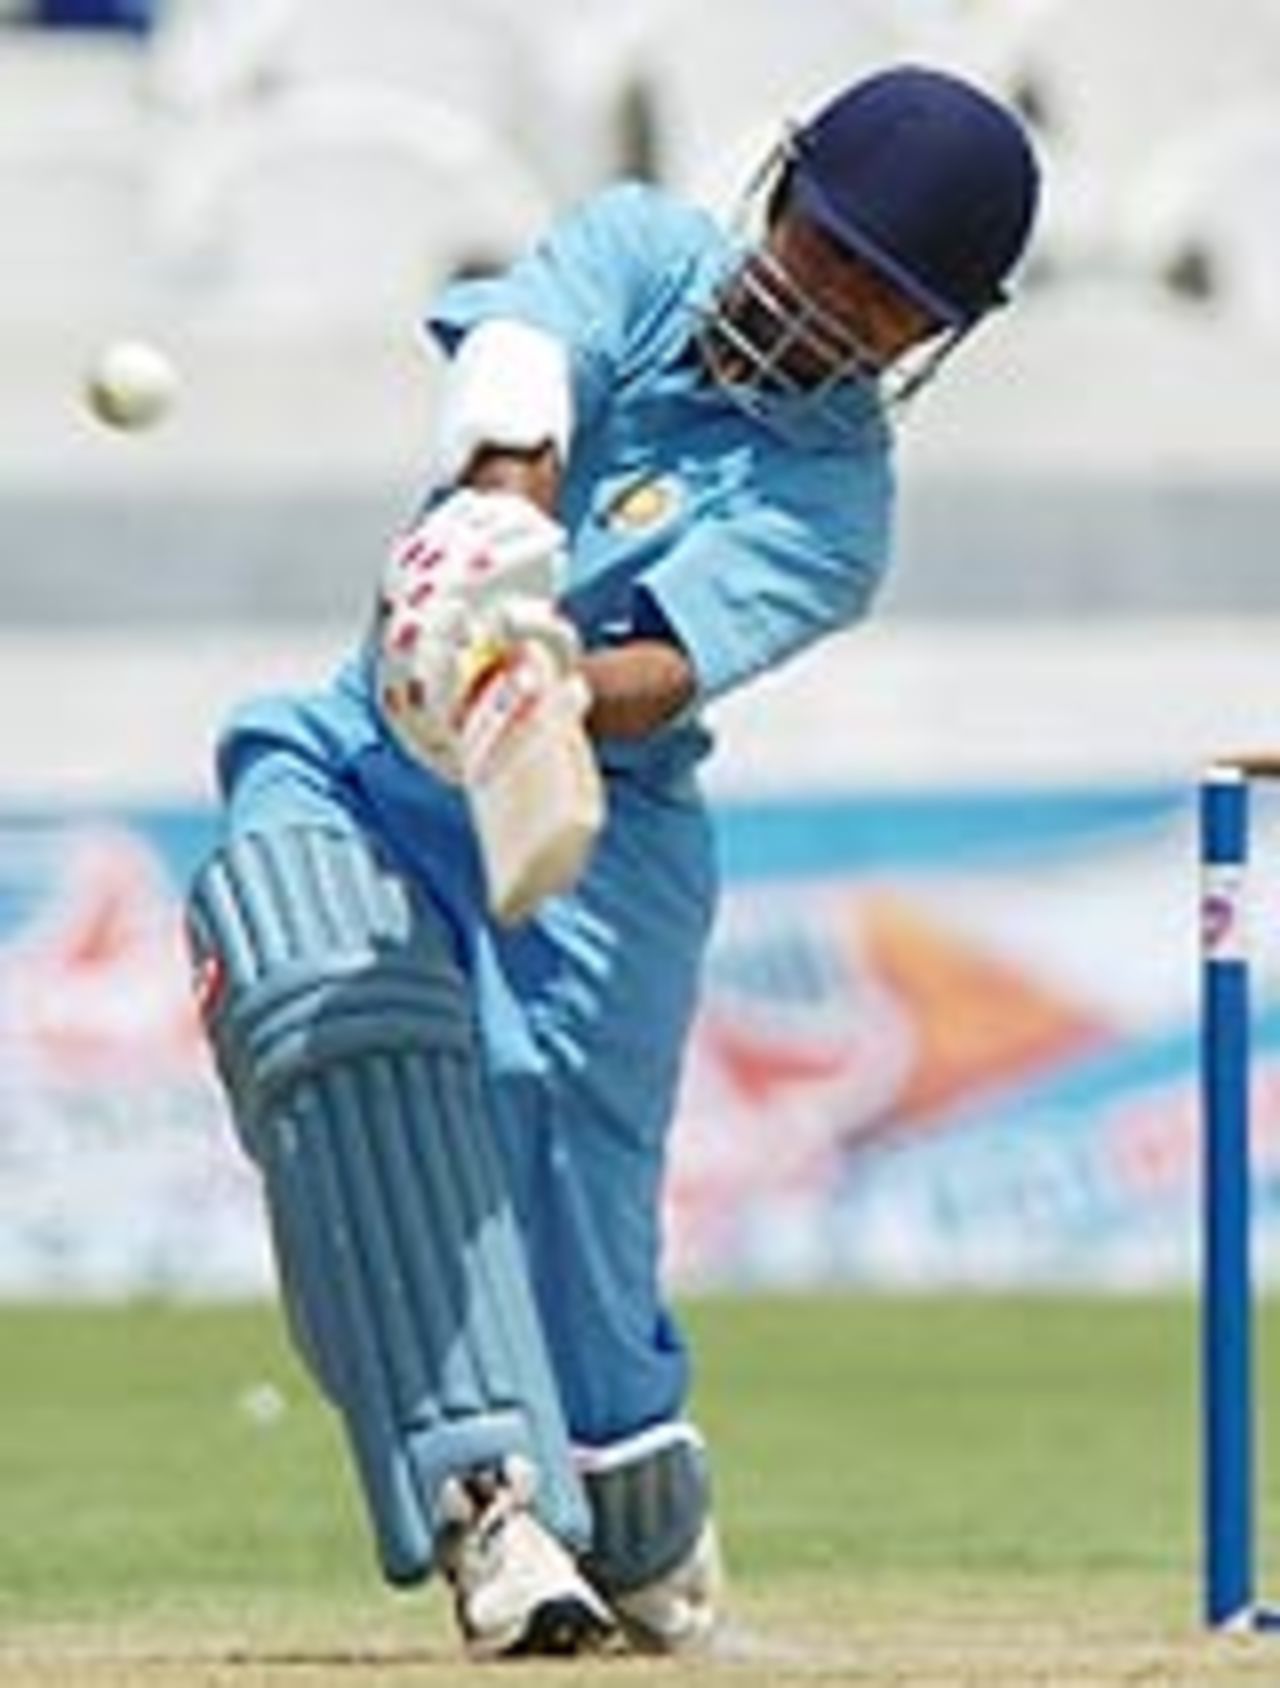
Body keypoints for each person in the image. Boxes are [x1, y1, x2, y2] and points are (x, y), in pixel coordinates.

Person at [186, 62, 1040, 1661]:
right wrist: (492, 554)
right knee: (329, 1014)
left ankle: (637, 1520)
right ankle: (491, 1507)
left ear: (938, 333)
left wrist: (534, 677)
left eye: (888, 299)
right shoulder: (645, 248)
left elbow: (658, 672)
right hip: (367, 753)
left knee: (564, 1195)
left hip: (596, 825)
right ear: (780, 191)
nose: (836, 302)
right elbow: (522, 374)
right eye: (831, 248)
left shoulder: (836, 505)